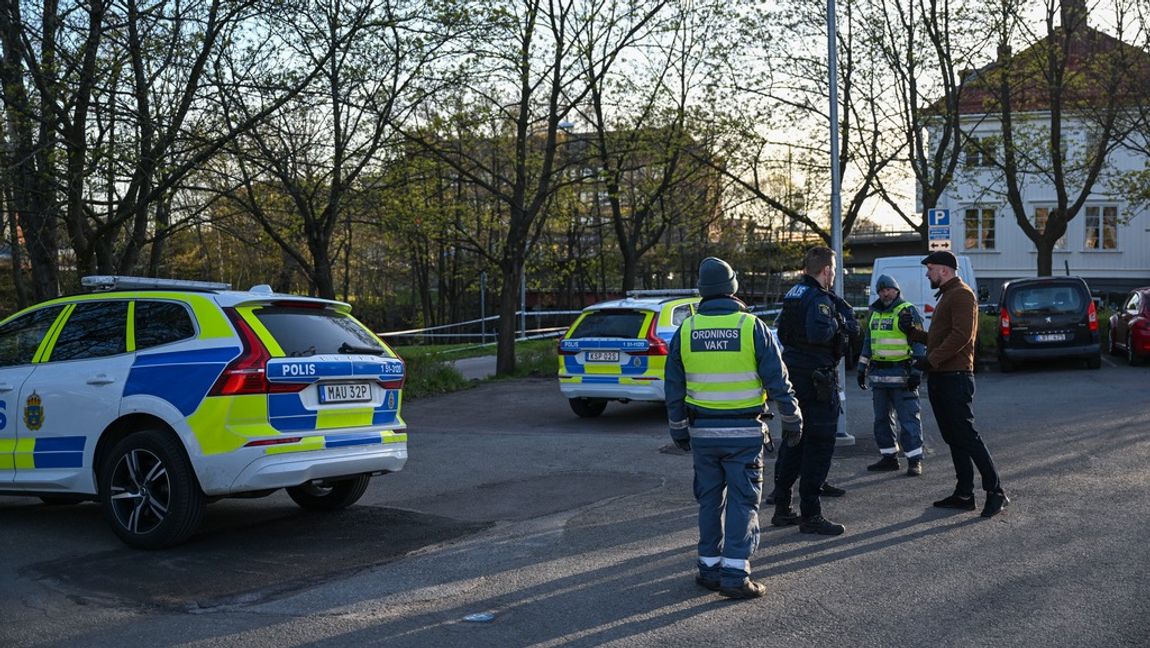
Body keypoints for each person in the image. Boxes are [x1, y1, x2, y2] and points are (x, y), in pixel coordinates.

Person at [666, 257, 802, 600]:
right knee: (743, 501)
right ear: (733, 287)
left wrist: (678, 429)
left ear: (702, 290)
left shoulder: (686, 329)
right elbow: (778, 381)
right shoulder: (751, 326)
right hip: (744, 434)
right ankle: (735, 575)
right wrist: (792, 419)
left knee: (709, 501)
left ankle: (709, 568)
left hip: (702, 434)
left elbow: (673, 387)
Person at [899, 250, 1009, 518]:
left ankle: (996, 492)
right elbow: (942, 338)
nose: (927, 274)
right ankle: (964, 493)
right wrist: (912, 333)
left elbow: (961, 336)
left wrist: (929, 361)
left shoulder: (961, 294)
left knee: (966, 436)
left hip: (955, 377)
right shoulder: (948, 295)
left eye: (931, 269)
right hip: (943, 375)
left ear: (944, 270)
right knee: (954, 437)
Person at [769, 246, 858, 536]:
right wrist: (841, 322)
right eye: (833, 269)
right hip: (816, 378)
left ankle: (782, 506)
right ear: (826, 269)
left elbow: (782, 332)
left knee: (794, 440)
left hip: (794, 373)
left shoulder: (793, 294)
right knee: (819, 444)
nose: (834, 274)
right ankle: (811, 514)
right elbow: (820, 332)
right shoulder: (819, 299)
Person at [858, 274, 927, 476]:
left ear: (896, 290)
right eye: (881, 290)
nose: (884, 293)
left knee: (908, 419)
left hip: (902, 376)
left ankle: (914, 460)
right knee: (881, 420)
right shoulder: (874, 313)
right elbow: (868, 342)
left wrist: (916, 370)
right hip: (879, 377)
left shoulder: (906, 311)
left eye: (888, 289)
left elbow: (919, 343)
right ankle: (889, 457)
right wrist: (862, 368)